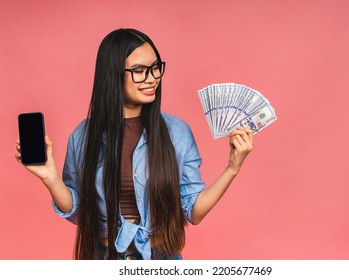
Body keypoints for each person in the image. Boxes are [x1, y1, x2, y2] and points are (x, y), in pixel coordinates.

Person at [15, 28, 253, 260]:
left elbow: (193, 211)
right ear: (113, 73)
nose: (152, 79)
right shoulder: (84, 135)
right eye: (139, 70)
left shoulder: (177, 132)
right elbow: (77, 211)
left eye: (156, 68)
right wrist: (51, 179)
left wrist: (233, 167)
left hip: (161, 260)